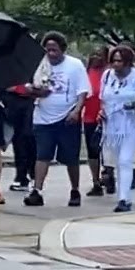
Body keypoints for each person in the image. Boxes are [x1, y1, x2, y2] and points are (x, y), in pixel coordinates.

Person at [23, 32, 89, 208]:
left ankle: (75, 190)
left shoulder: (75, 66)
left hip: (67, 117)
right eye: (48, 50)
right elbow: (32, 86)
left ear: (63, 50)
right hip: (43, 117)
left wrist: (77, 111)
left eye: (54, 50)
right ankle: (37, 190)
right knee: (42, 155)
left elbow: (82, 92)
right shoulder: (40, 65)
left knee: (71, 157)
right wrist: (34, 91)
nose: (51, 53)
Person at [99, 45, 135, 213]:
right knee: (118, 162)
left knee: (125, 160)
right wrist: (102, 112)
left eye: (120, 61)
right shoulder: (107, 76)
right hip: (112, 126)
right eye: (113, 61)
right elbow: (103, 98)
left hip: (132, 124)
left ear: (128, 62)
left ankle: (123, 199)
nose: (116, 64)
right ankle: (124, 195)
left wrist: (134, 104)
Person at [82, 49, 109, 197]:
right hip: (89, 117)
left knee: (108, 150)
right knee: (93, 150)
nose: (96, 57)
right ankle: (95, 182)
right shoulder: (86, 72)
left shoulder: (109, 73)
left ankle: (109, 175)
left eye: (100, 55)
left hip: (107, 117)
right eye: (93, 54)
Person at [3, 82, 36, 192]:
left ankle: (33, 175)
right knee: (18, 141)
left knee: (29, 138)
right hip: (13, 102)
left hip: (31, 101)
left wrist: (23, 88)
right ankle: (21, 176)